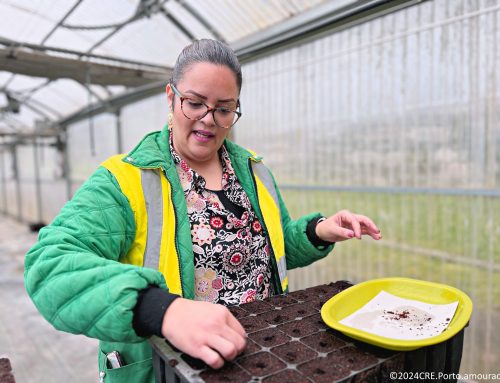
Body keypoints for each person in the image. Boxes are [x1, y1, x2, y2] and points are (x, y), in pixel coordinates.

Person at [24, 39, 382, 383]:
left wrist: (318, 230)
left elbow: (273, 248)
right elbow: (50, 264)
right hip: (174, 369)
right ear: (171, 97)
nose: (209, 119)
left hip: (262, 356)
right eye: (195, 103)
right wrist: (162, 310)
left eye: (224, 108)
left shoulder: (253, 171)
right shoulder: (125, 180)